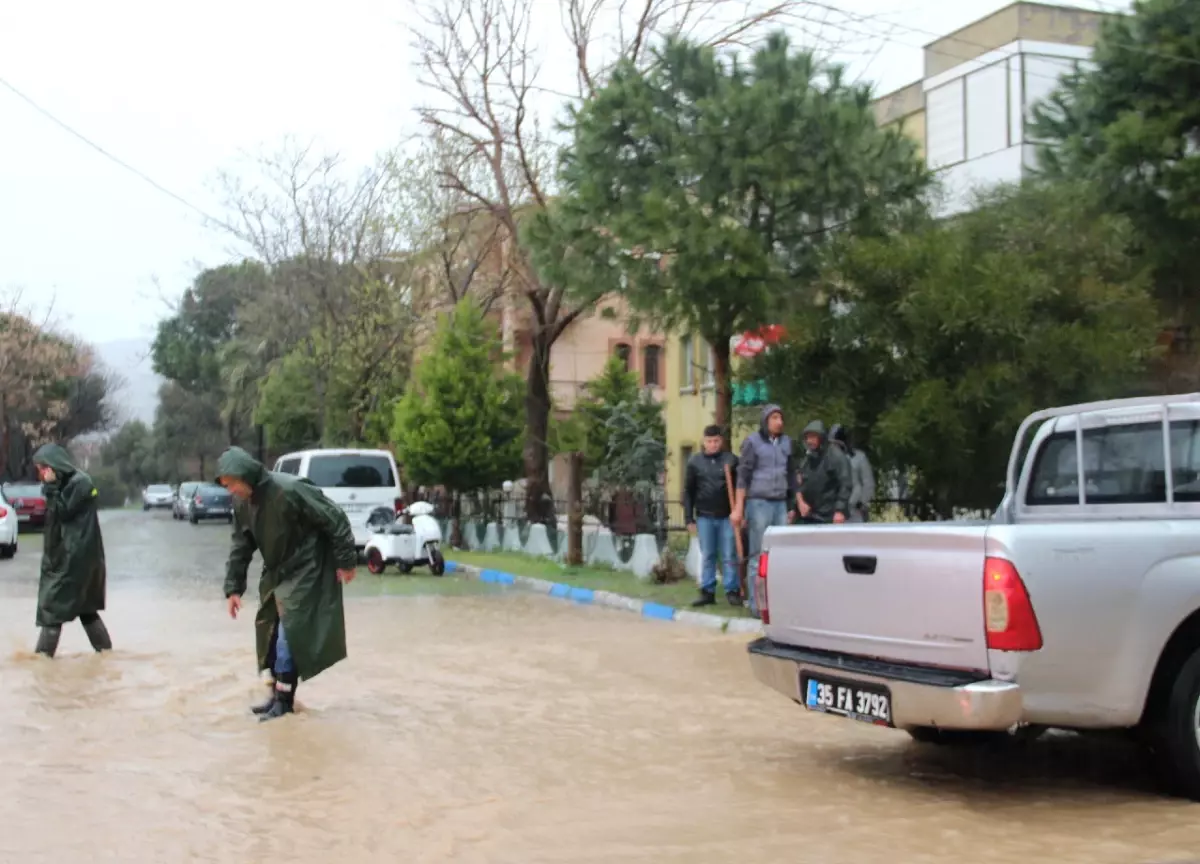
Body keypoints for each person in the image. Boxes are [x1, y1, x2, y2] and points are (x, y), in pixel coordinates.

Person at [217, 446, 358, 722]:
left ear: (246, 476)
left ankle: (284, 702)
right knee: (267, 631)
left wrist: (346, 561)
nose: (230, 490)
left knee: (289, 636)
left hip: (308, 567)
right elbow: (241, 545)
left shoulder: (290, 490)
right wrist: (233, 588)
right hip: (276, 571)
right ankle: (275, 696)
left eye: (232, 484)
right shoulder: (241, 503)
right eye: (226, 486)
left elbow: (335, 518)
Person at [31, 443, 112, 658]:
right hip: (66, 556)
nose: (40, 474)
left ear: (53, 465)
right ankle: (106, 657)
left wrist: (51, 488)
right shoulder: (64, 483)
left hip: (75, 558)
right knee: (85, 609)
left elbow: (63, 512)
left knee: (53, 611)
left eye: (42, 468)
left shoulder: (80, 483)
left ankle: (41, 664)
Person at [733, 404, 800, 616]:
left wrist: (794, 504)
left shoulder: (787, 443)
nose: (779, 422)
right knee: (758, 555)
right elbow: (742, 477)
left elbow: (791, 475)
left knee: (779, 555)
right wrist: (738, 508)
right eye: (774, 418)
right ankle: (757, 604)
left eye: (781, 418)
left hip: (779, 502)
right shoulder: (753, 443)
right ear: (765, 421)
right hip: (758, 502)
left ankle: (777, 603)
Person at [684, 425, 741, 607]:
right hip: (704, 516)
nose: (713, 445)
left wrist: (740, 512)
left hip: (727, 517)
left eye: (716, 441)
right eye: (709, 441)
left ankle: (732, 590)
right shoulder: (695, 462)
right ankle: (707, 591)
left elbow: (740, 489)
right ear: (704, 442)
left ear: (721, 441)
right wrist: (688, 518)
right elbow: (688, 492)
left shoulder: (731, 460)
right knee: (708, 554)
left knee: (729, 554)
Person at [795, 420, 853, 524]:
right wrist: (800, 503)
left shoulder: (835, 455)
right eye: (807, 437)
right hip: (809, 516)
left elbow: (846, 484)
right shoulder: (807, 459)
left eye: (813, 437)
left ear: (821, 438)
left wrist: (840, 510)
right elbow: (799, 483)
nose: (809, 440)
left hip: (830, 516)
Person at [830, 424, 876, 522]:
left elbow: (868, 483)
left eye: (838, 443)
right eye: (833, 443)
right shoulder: (828, 460)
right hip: (833, 509)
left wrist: (862, 503)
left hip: (854, 509)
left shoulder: (859, 457)